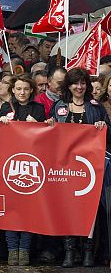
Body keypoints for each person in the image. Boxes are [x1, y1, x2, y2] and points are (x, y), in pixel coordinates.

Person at [46, 67, 109, 268]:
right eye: (75, 83)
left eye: (82, 83)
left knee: (90, 210)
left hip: (90, 168)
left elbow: (108, 134)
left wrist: (103, 126)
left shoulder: (96, 107)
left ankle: (88, 251)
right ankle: (69, 252)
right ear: (68, 85)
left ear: (87, 85)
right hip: (65, 167)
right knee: (68, 209)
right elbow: (48, 136)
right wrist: (48, 125)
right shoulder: (59, 106)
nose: (79, 87)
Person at [0, 74, 44, 266]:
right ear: (12, 90)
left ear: (31, 90)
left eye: (26, 89)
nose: (22, 92)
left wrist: (38, 126)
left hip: (31, 163)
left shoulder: (39, 109)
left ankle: (24, 250)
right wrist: (0, 123)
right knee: (10, 209)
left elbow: (46, 135)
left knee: (28, 209)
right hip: (9, 164)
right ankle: (11, 250)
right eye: (18, 89)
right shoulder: (6, 108)